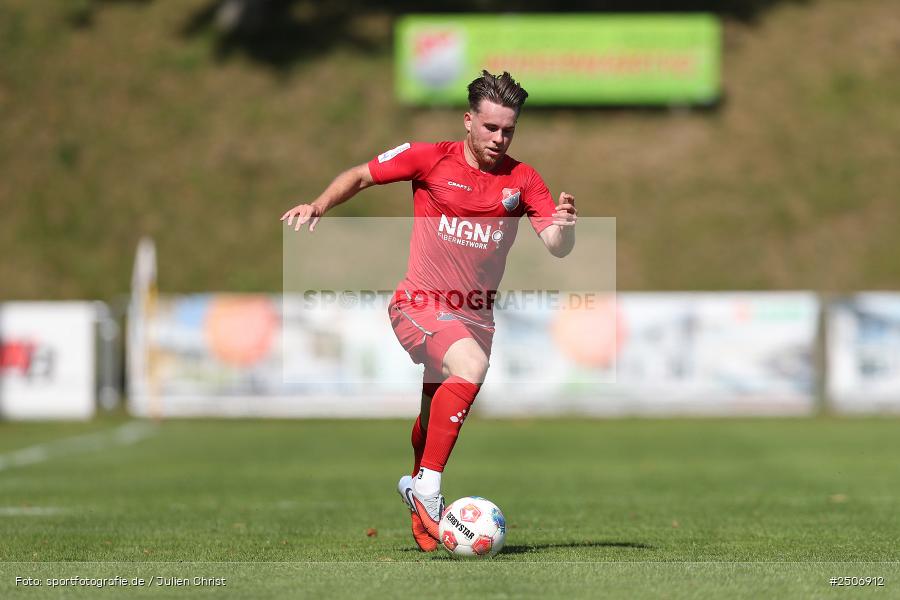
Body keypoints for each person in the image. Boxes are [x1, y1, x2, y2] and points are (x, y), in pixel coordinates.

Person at [281, 70, 576, 552]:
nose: (500, 139)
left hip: (476, 317)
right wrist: (319, 204)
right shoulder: (428, 158)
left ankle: (420, 499)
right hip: (420, 304)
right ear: (468, 122)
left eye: (508, 131)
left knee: (433, 414)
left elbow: (556, 245)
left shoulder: (522, 179)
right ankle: (429, 490)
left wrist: (565, 226)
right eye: (491, 128)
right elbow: (360, 174)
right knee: (471, 367)